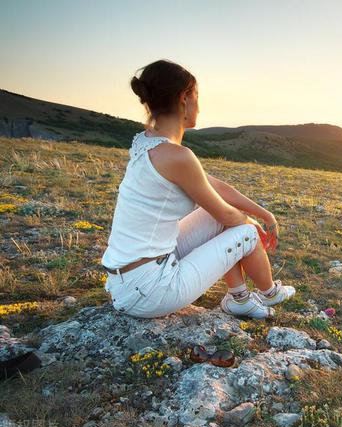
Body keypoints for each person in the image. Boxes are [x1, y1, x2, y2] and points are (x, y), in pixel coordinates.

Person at [100, 59, 295, 319]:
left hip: (127, 281)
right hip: (151, 290)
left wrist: (265, 214)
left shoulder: (146, 142)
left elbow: (216, 187)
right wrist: (253, 227)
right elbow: (227, 216)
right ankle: (270, 294)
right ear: (184, 98)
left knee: (228, 219)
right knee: (244, 231)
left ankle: (240, 299)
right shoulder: (178, 155)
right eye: (197, 96)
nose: (199, 105)